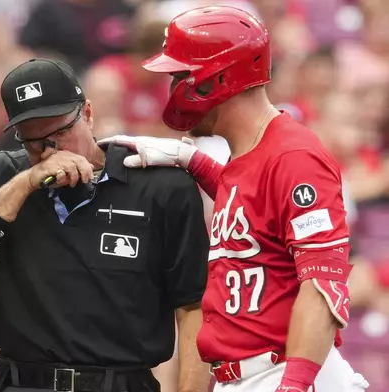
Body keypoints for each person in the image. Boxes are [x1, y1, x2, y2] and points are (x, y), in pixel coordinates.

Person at [98, 6, 370, 392]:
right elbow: (256, 211)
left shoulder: (294, 155)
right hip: (243, 377)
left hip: (289, 374)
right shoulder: (247, 156)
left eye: (180, 76)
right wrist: (192, 160)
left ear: (218, 79)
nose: (172, 88)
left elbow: (322, 287)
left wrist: (293, 386)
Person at [0, 58, 211, 392]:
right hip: (20, 381)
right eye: (33, 141)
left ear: (87, 113)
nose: (49, 150)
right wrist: (25, 183)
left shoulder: (161, 185)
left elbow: (192, 306)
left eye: (60, 132)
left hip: (119, 382)